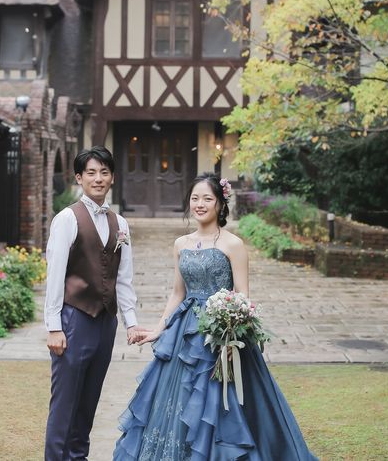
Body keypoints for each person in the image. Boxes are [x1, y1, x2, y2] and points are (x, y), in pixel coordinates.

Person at [113, 172, 318, 460]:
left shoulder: (233, 244)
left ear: (220, 204)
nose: (200, 204)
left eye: (207, 199)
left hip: (221, 334)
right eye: (195, 198)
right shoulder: (181, 244)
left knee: (221, 402)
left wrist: (231, 335)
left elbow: (242, 294)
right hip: (185, 334)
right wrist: (160, 329)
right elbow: (177, 293)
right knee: (178, 401)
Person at [44, 146, 142, 461]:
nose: (98, 178)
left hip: (105, 323)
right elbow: (55, 275)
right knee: (65, 404)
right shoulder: (67, 219)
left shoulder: (120, 224)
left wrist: (131, 321)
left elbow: (123, 277)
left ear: (112, 177)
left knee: (88, 402)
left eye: (104, 172)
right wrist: (54, 327)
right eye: (91, 173)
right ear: (79, 178)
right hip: (74, 318)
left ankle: (78, 457)